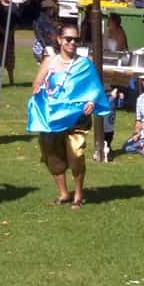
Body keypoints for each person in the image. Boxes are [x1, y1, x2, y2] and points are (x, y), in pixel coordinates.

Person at [27, 23, 111, 209]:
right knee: (52, 155)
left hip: (77, 118)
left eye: (76, 39)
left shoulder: (84, 63)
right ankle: (64, 193)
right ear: (59, 40)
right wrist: (41, 91)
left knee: (76, 155)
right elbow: (36, 85)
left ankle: (78, 194)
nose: (72, 43)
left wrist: (91, 102)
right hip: (52, 118)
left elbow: (95, 89)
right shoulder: (50, 62)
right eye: (68, 39)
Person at [33, 0, 57, 64]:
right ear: (48, 9)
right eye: (52, 9)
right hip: (43, 46)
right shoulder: (39, 20)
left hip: (49, 46)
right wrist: (45, 47)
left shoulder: (50, 19)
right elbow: (39, 35)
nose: (53, 11)